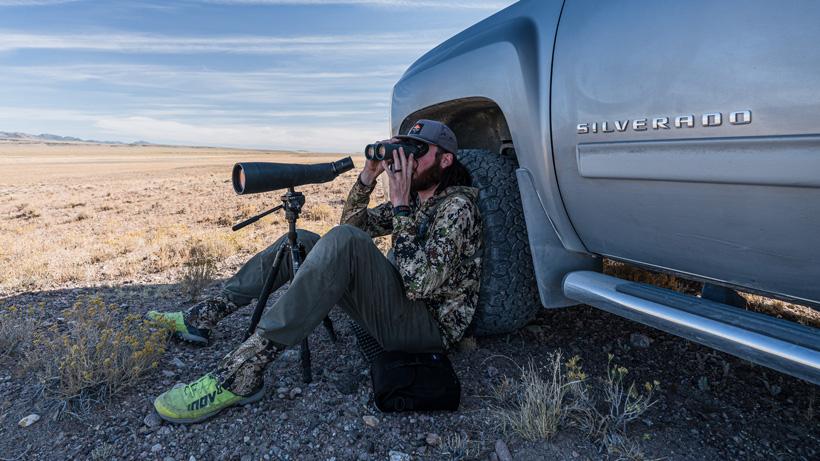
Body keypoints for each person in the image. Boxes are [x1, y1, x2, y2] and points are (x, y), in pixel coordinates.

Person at [148, 119, 483, 423]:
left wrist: (401, 207)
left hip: (427, 330)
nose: (407, 161)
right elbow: (354, 225)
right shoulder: (418, 200)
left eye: (418, 153)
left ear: (445, 160)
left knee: (344, 242)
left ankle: (242, 372)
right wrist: (368, 177)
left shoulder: (457, 207)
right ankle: (207, 313)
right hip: (400, 310)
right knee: (303, 240)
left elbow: (420, 284)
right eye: (406, 151)